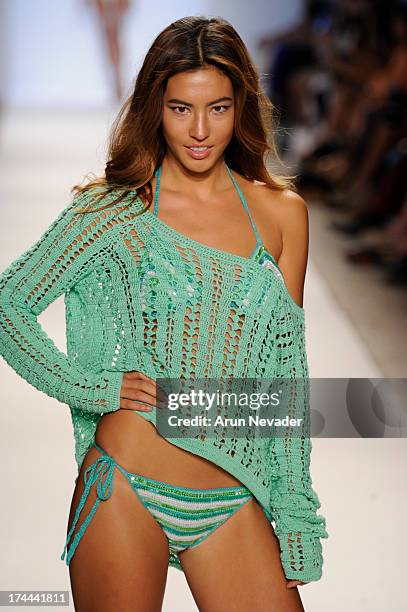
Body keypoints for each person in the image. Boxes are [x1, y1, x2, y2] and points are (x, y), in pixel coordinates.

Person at [0, 16, 328, 611]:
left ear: (243, 106)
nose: (200, 131)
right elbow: (7, 306)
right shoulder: (113, 212)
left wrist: (296, 514)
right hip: (125, 484)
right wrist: (92, 385)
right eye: (181, 108)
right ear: (155, 105)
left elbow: (283, 385)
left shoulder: (281, 216)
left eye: (218, 109)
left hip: (234, 494)